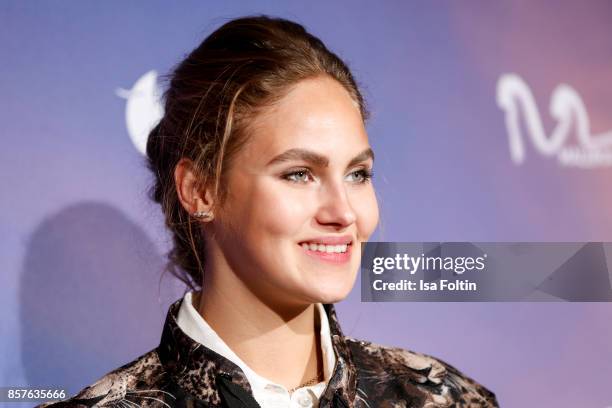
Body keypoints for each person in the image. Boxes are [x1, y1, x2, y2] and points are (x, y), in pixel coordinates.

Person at [38, 15, 498, 408]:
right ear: (199, 191)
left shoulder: (442, 398)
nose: (343, 212)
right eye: (299, 173)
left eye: (358, 174)